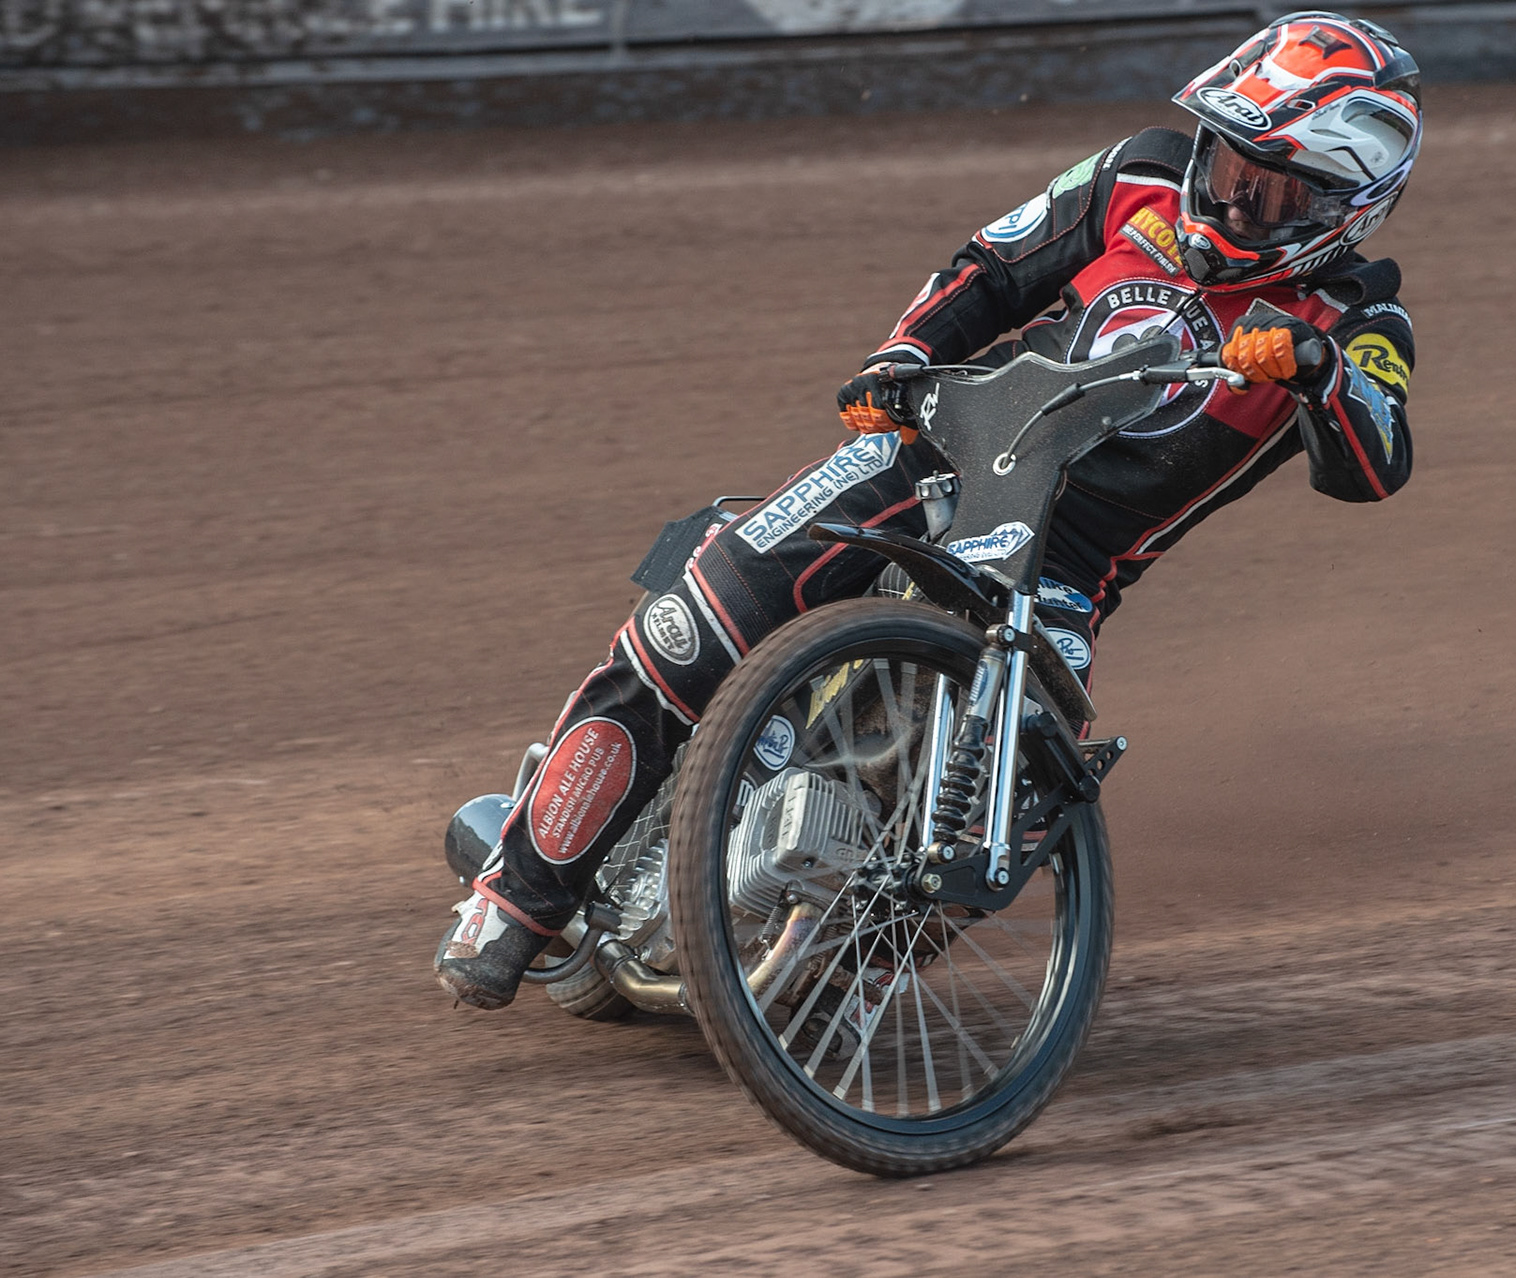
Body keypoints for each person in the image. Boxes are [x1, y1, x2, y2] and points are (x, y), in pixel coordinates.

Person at [435, 10, 1423, 1009]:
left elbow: (1377, 460)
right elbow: (992, 267)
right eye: (1228, 163)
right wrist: (900, 360)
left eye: (1273, 185)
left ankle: (838, 981)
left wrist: (1318, 371)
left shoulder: (1358, 317)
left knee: (1025, 790)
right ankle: (514, 902)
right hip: (935, 452)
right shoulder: (1140, 175)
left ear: (1349, 206)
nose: (1235, 195)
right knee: (696, 622)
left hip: (1063, 574)